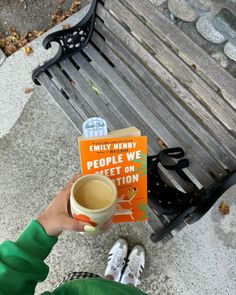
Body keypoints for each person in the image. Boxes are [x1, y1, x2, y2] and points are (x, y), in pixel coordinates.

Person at [0, 174, 146, 295]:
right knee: (124, 290)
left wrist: (42, 230)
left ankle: (112, 274)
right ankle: (129, 282)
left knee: (101, 282)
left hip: (76, 289)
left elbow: (6, 279)